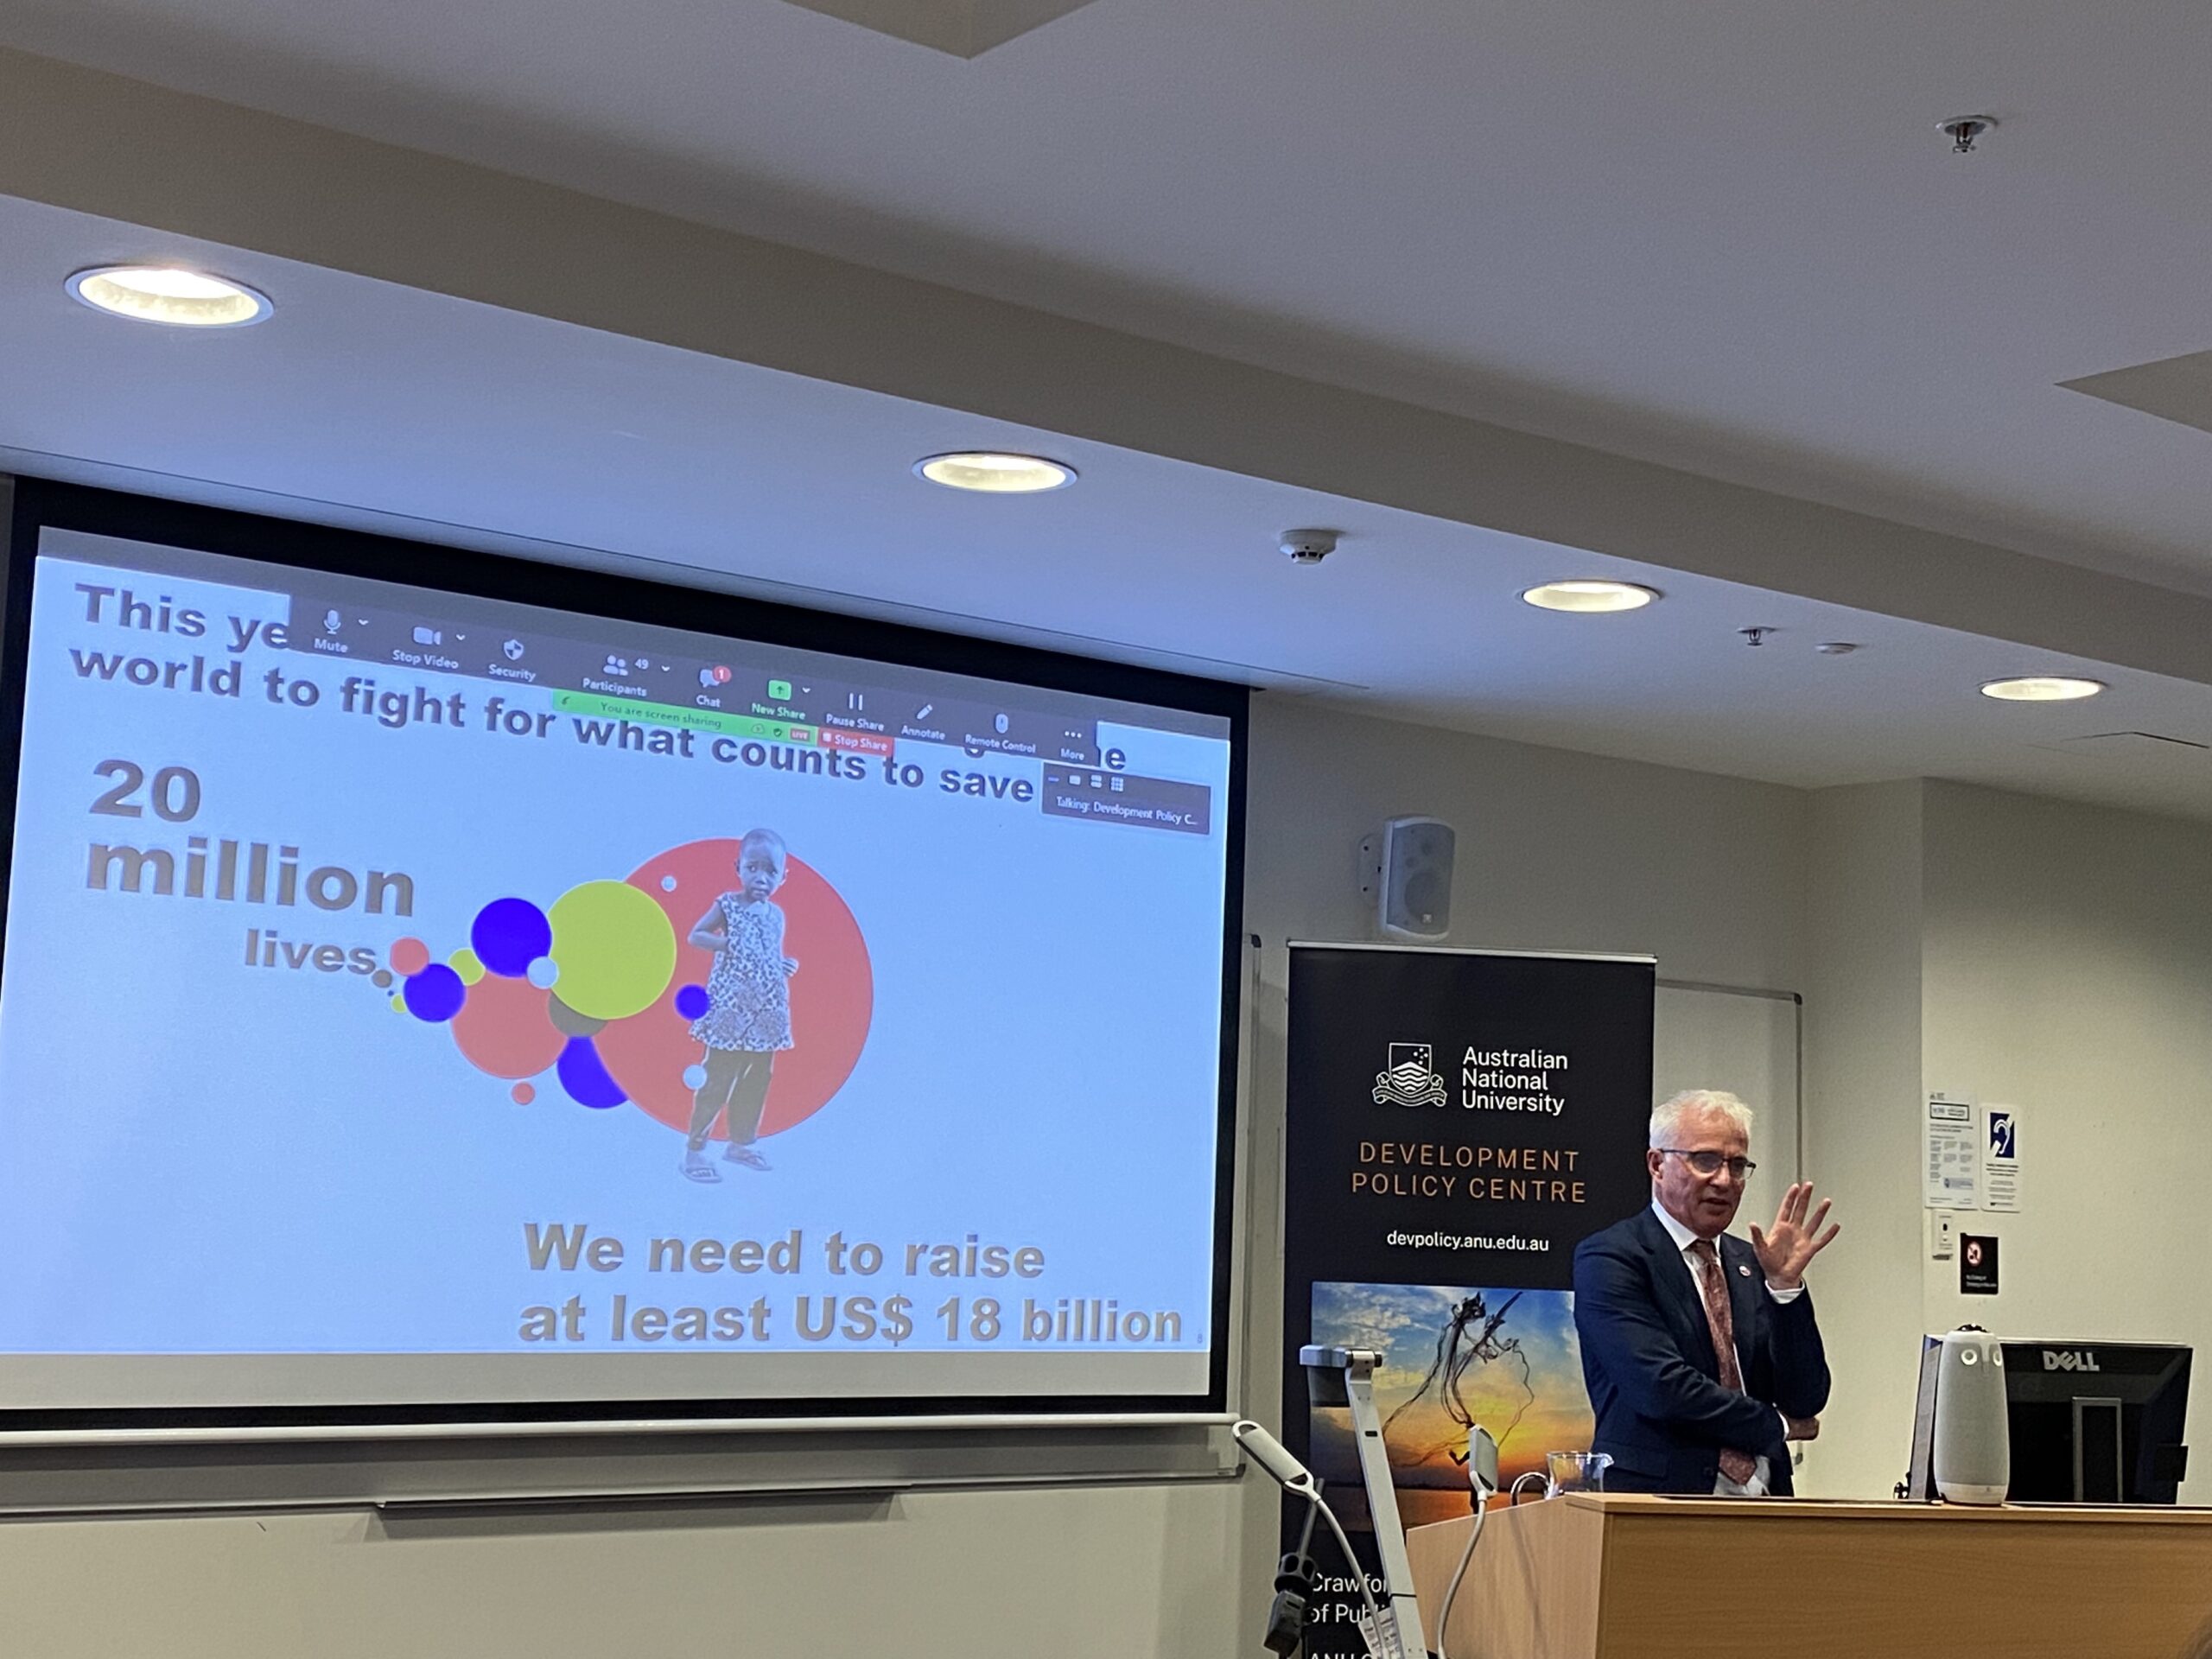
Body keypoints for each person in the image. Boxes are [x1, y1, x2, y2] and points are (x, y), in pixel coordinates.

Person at [1572, 1089, 1839, 1496]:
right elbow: (1662, 1388)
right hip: (1659, 1503)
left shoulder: (1752, 1263)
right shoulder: (1611, 1257)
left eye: (1736, 1165)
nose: (1724, 1180)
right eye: (1706, 1160)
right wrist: (1777, 1426)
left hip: (1768, 1501)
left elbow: (1806, 1397)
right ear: (1657, 1164)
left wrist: (1785, 1290)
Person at [680, 829, 798, 1182]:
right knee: (718, 1078)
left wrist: (781, 965)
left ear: (783, 876)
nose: (761, 877)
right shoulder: (727, 905)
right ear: (739, 867)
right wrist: (727, 944)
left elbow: (766, 954)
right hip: (731, 1011)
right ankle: (695, 1151)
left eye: (770, 871)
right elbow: (695, 935)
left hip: (766, 1012)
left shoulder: (775, 914)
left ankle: (741, 1143)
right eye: (752, 867)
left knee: (757, 1078)